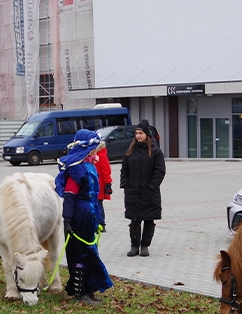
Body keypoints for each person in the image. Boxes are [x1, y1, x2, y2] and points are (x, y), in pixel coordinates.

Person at [55, 129, 113, 304]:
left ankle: (89, 290)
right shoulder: (76, 169)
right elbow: (70, 197)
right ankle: (80, 293)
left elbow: (94, 195)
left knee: (90, 253)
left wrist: (99, 219)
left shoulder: (90, 165)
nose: (96, 151)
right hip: (79, 216)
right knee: (80, 254)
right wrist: (67, 221)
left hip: (90, 214)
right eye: (94, 148)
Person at [120, 119, 166, 257]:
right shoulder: (130, 150)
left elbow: (160, 171)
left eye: (140, 133)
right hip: (133, 192)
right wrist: (125, 184)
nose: (138, 136)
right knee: (134, 220)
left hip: (149, 192)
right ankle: (134, 245)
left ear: (146, 134)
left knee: (148, 219)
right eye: (136, 133)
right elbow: (124, 169)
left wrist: (152, 186)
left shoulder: (155, 151)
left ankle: (145, 245)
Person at [95, 140, 113, 232]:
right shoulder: (96, 156)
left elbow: (106, 171)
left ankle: (101, 223)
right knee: (96, 204)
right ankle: (98, 223)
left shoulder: (101, 156)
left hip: (100, 185)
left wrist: (108, 184)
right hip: (96, 184)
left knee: (98, 204)